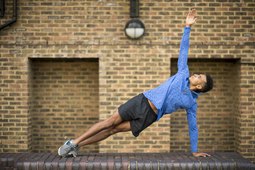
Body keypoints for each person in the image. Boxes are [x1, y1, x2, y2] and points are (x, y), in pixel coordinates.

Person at [58, 9, 213, 158]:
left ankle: (78, 146)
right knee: (110, 122)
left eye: (199, 77)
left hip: (150, 116)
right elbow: (183, 50)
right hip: (142, 101)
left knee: (114, 130)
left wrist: (195, 151)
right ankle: (73, 142)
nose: (195, 74)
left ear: (199, 86)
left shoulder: (191, 103)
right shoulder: (182, 73)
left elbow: (193, 126)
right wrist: (187, 27)